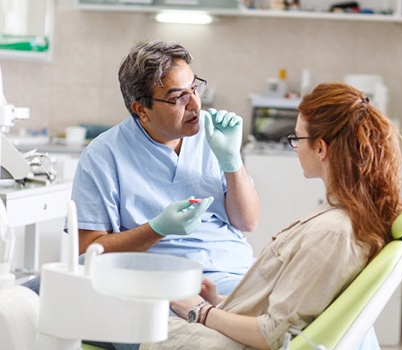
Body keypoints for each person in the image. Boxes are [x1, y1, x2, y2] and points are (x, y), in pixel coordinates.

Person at [138, 82, 402, 350]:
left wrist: (202, 311)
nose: (295, 147)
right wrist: (220, 301)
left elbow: (273, 333)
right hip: (245, 322)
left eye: (297, 138)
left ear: (321, 148)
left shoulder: (334, 232)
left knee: (160, 332)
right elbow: (291, 304)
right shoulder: (342, 217)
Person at [68, 39, 260, 297]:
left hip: (235, 272)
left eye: (194, 89)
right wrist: (157, 229)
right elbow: (88, 251)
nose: (195, 104)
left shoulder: (212, 133)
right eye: (179, 97)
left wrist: (232, 162)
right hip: (162, 283)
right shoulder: (104, 155)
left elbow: (248, 222)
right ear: (141, 110)